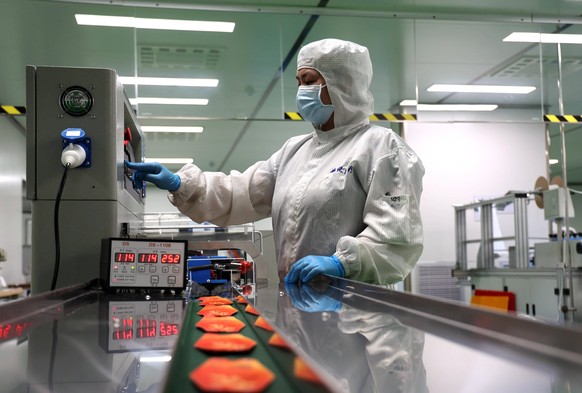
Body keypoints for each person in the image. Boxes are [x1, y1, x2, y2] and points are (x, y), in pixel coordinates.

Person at [125, 38, 425, 286]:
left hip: (354, 312)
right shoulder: (294, 151)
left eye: (309, 81)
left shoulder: (381, 148)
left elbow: (397, 240)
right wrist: (181, 184)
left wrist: (341, 263)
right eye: (298, 82)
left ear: (342, 84)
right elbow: (239, 193)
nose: (300, 91)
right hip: (297, 304)